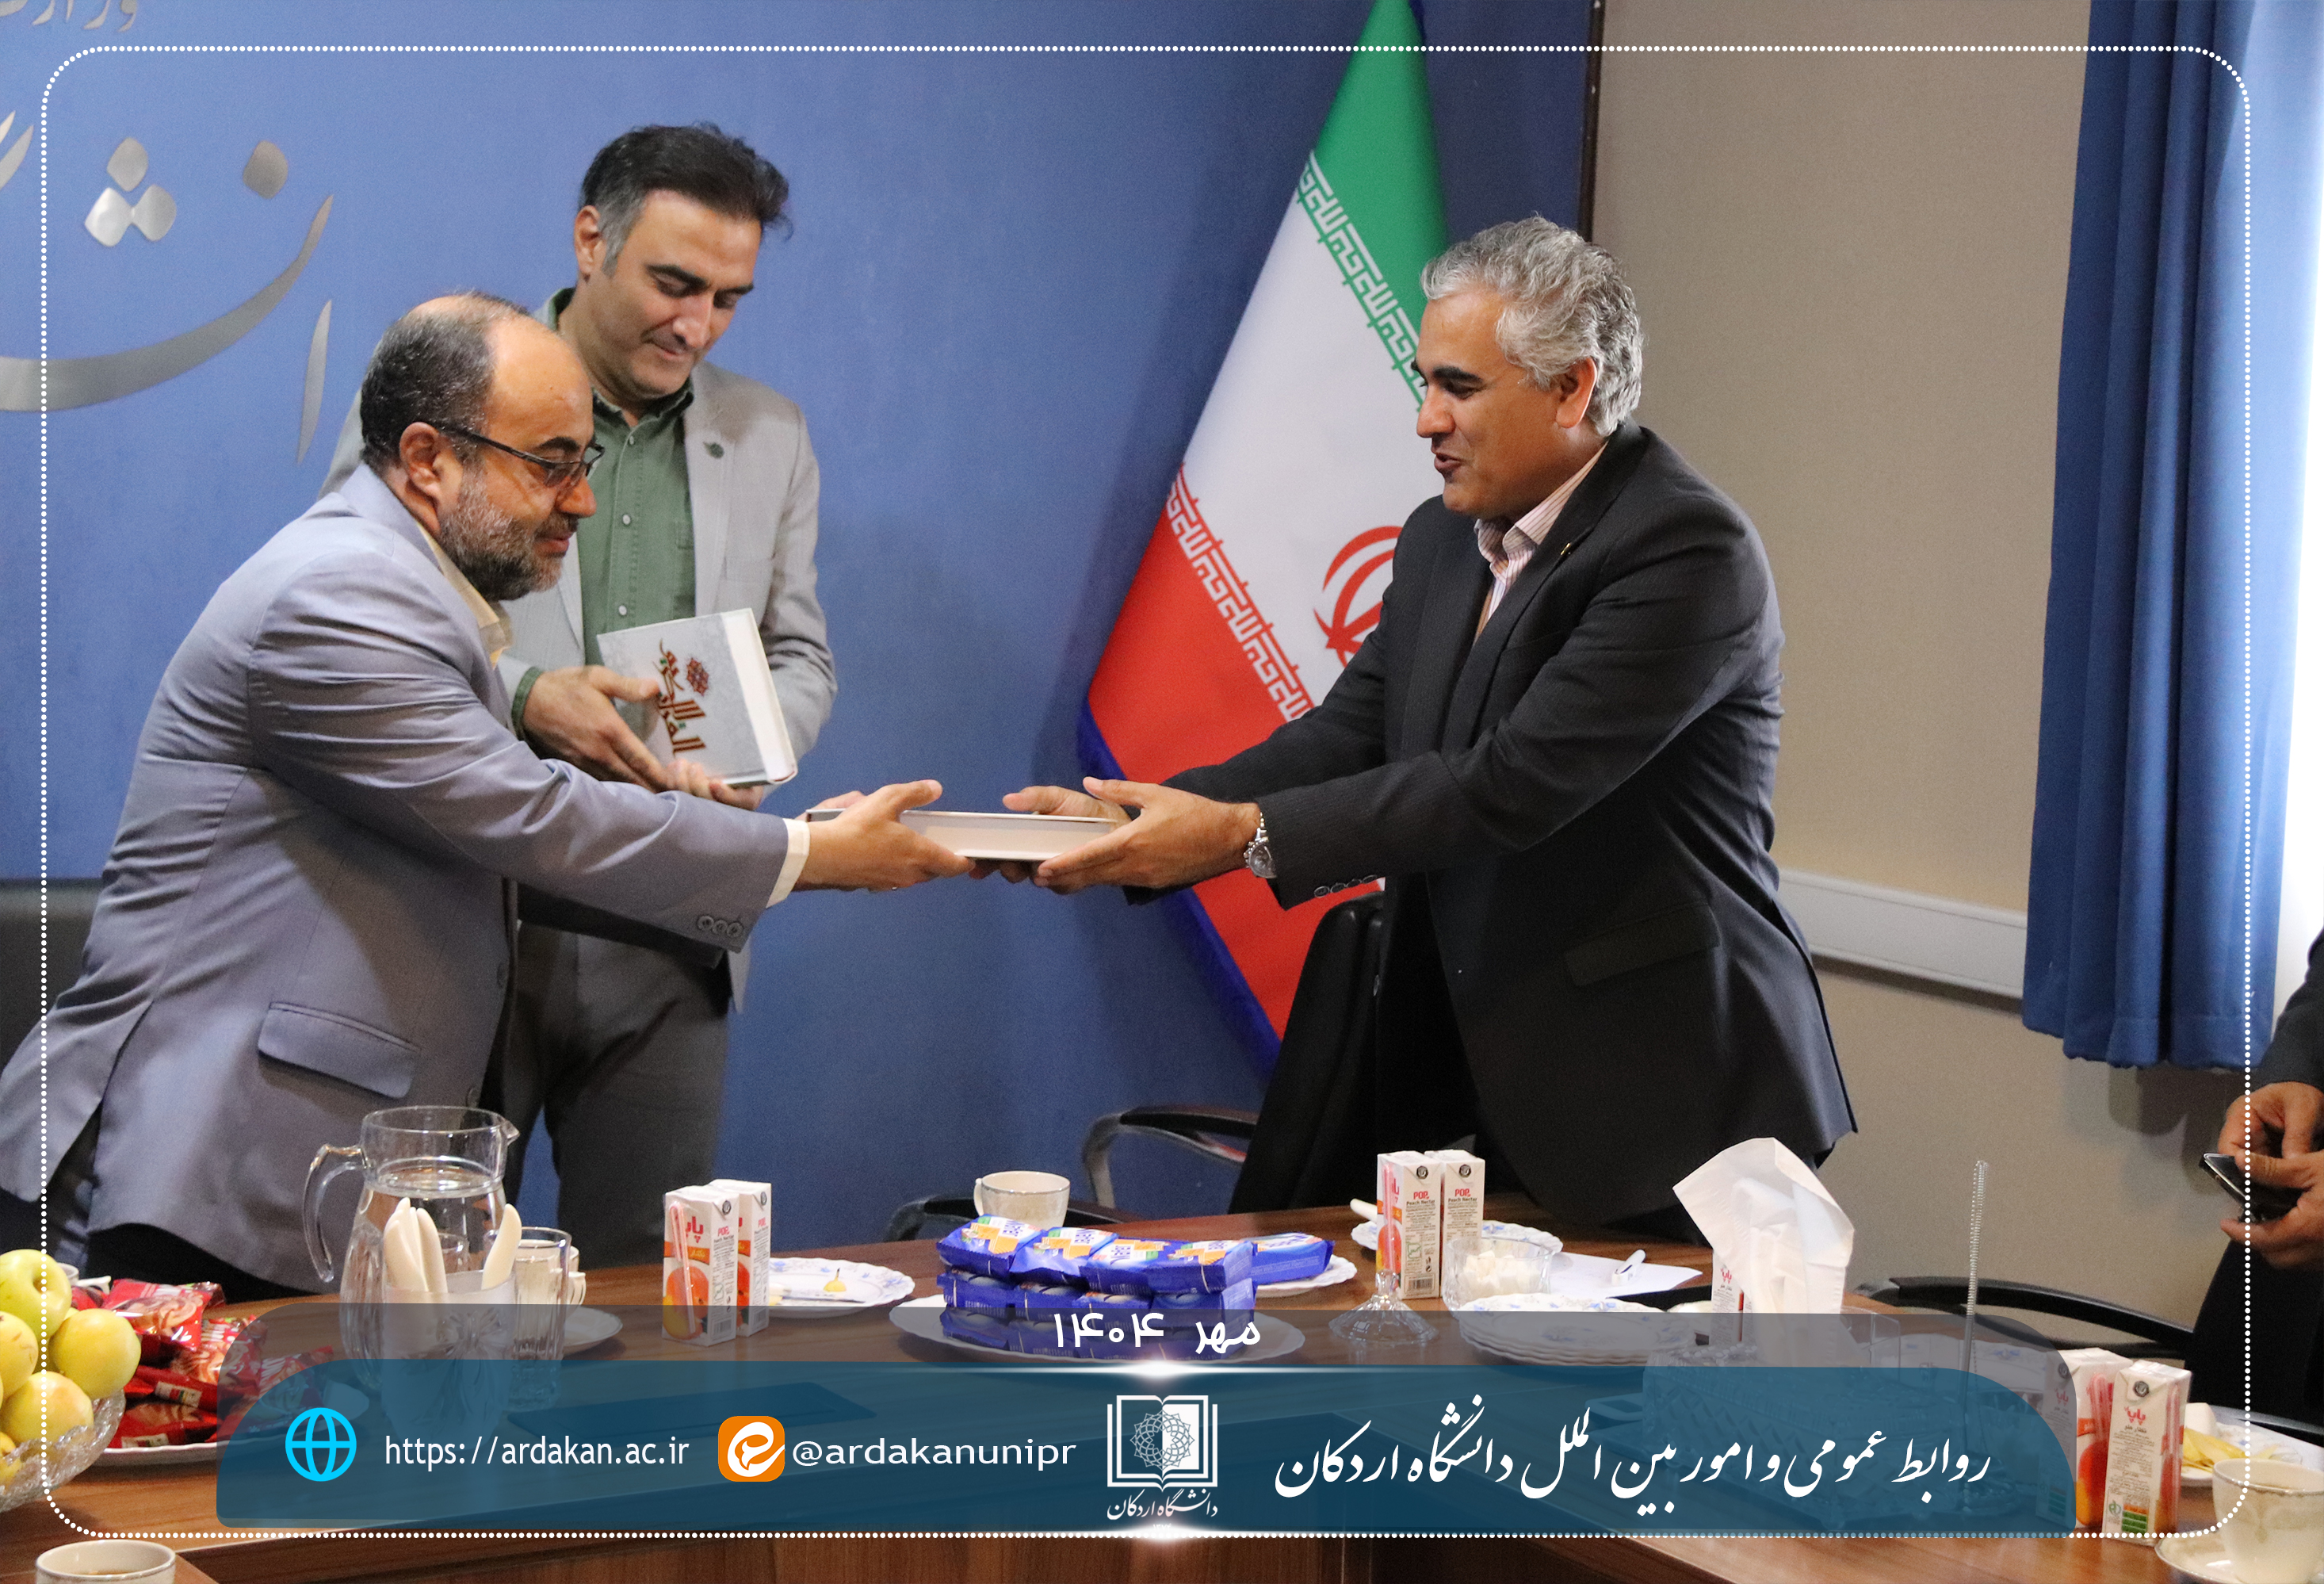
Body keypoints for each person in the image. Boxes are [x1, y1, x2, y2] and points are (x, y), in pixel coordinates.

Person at [0, 294, 968, 1296]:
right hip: (188, 1168)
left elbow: (492, 842)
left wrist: (794, 844)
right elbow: (529, 819)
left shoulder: (406, 587)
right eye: (551, 464)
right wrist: (807, 859)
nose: (581, 503)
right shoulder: (340, 594)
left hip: (267, 1173)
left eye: (585, 463)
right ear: (428, 459)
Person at [1009, 218, 1854, 1238]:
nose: (1425, 420)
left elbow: (1508, 788)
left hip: (1661, 1095)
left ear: (1571, 389)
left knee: (1629, 1352)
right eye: (1425, 382)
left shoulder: (1683, 548)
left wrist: (1239, 837)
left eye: (1459, 387)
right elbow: (1353, 735)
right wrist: (1132, 824)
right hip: (1480, 1074)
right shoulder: (1441, 538)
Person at [323, 124, 833, 1266]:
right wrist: (527, 695)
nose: (697, 324)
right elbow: (360, 615)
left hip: (673, 924)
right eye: (674, 283)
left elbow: (800, 653)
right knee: (429, 1276)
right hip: (470, 913)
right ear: (591, 240)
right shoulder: (449, 392)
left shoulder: (772, 435)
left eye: (729, 299)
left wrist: (748, 751)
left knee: (649, 1293)